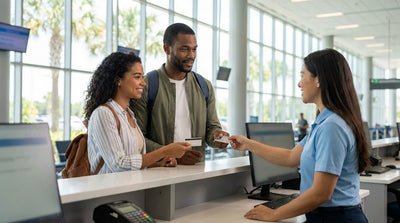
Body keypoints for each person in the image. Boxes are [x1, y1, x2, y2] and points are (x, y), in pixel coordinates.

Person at [229, 49, 370, 222]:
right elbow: (290, 157)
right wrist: (248, 144)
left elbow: (321, 193)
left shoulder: (332, 126)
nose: (299, 84)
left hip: (335, 218)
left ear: (318, 79)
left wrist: (274, 214)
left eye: (303, 75)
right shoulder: (325, 123)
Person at [130, 23, 229, 164]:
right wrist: (173, 155)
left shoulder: (204, 86)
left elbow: (212, 127)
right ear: (167, 48)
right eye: (184, 49)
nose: (191, 55)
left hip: (197, 171)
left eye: (194, 49)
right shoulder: (147, 85)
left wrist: (218, 138)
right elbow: (137, 138)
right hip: (159, 173)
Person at [84, 52, 192, 174]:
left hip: (131, 189)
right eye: (137, 77)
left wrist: (158, 164)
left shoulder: (129, 114)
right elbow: (118, 164)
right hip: (109, 191)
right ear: (118, 80)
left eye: (142, 77)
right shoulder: (103, 114)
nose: (143, 83)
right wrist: (164, 151)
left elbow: (133, 162)